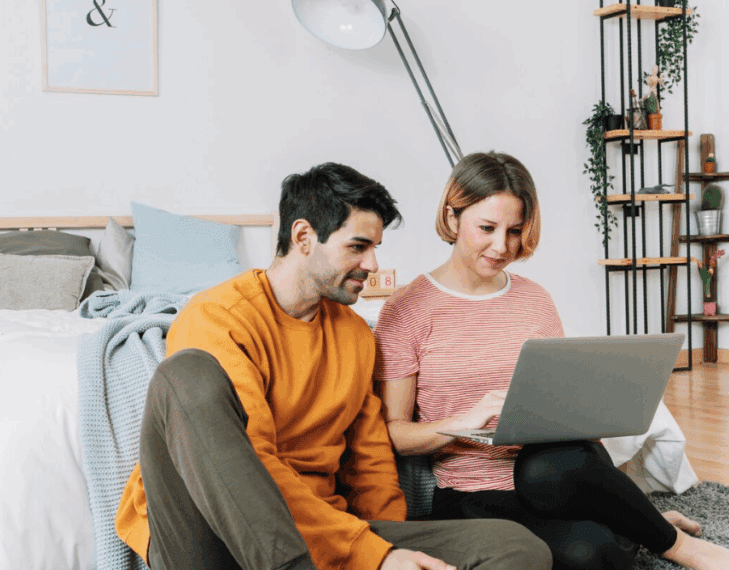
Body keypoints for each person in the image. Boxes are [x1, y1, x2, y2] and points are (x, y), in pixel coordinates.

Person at [115, 162, 554, 570]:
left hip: (328, 532)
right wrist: (373, 556)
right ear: (304, 237)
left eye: (375, 248)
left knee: (519, 549)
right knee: (187, 374)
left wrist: (395, 549)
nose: (373, 265)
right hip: (216, 532)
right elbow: (252, 465)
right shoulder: (216, 317)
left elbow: (370, 464)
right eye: (358, 247)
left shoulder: (355, 334)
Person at [373, 151, 729, 570]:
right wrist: (462, 421)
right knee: (596, 554)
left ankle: (676, 545)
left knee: (551, 464)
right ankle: (641, 526)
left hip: (548, 475)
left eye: (514, 231)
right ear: (452, 217)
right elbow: (393, 433)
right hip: (471, 492)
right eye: (486, 228)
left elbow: (569, 422)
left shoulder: (534, 299)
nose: (501, 246)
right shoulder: (407, 309)